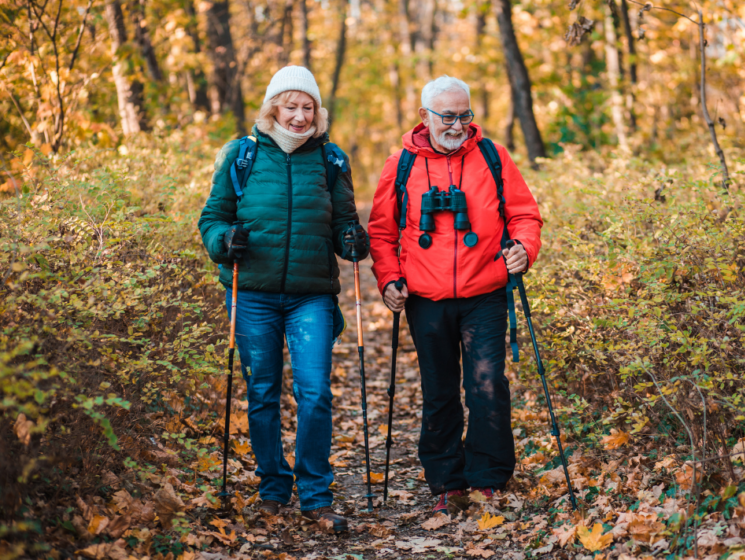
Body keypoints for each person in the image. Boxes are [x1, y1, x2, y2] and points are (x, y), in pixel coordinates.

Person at [198, 66, 367, 532]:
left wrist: (355, 240)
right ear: (273, 107)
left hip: (310, 297)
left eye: (307, 107)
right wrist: (222, 240)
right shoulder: (241, 155)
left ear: (317, 111)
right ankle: (272, 486)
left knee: (314, 393)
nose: (298, 116)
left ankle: (315, 494)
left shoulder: (331, 160)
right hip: (252, 295)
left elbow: (345, 225)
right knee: (262, 393)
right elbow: (212, 218)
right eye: (290, 106)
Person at [368, 76, 543, 514]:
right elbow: (382, 230)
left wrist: (524, 249)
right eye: (448, 116)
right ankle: (446, 480)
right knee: (439, 390)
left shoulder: (492, 156)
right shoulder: (401, 164)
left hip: (485, 290)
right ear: (425, 116)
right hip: (425, 297)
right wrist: (389, 279)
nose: (458, 124)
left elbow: (524, 214)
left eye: (465, 114)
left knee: (486, 384)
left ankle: (488, 478)